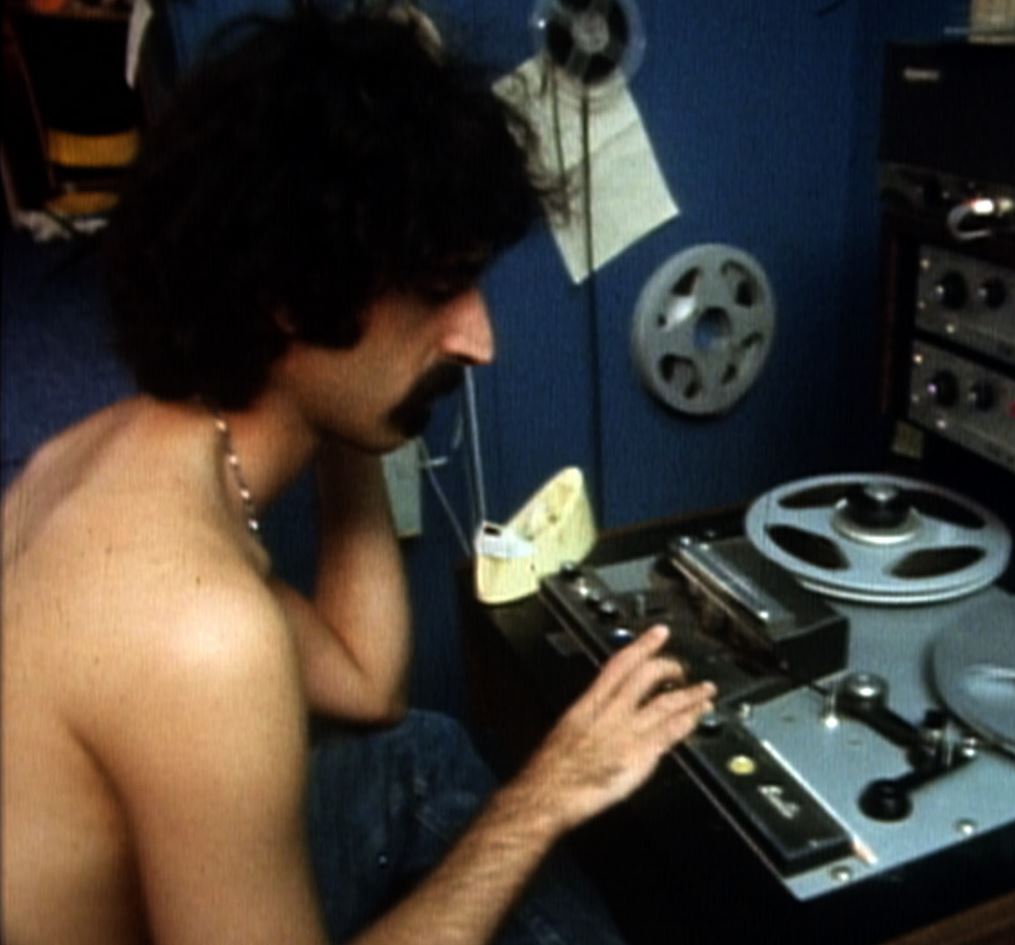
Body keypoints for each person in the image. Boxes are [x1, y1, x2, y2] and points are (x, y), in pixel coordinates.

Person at [0, 4, 716, 944]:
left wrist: (351, 405)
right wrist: (548, 792)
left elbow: (367, 685)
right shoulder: (198, 629)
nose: (479, 341)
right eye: (438, 289)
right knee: (509, 807)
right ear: (290, 296)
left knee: (421, 750)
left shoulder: (124, 453)